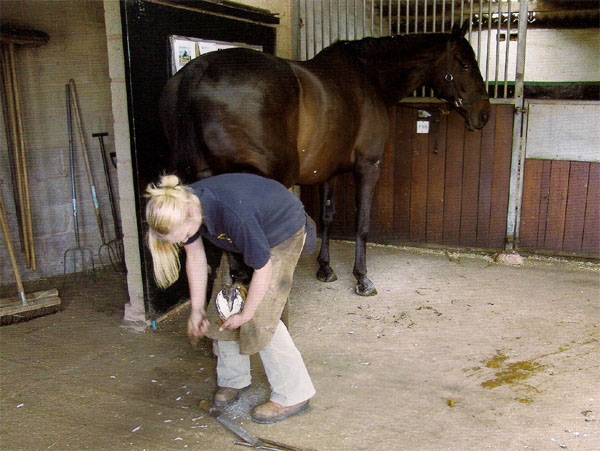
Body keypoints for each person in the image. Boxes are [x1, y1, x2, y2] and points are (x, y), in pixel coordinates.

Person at [145, 173, 316, 424]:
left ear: (192, 214)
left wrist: (247, 314)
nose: (184, 240)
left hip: (282, 232)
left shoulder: (234, 215)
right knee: (224, 304)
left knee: (262, 316)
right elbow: (195, 257)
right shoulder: (183, 204)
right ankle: (234, 379)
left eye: (183, 236)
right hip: (246, 233)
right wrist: (196, 309)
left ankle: (294, 394)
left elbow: (263, 268)